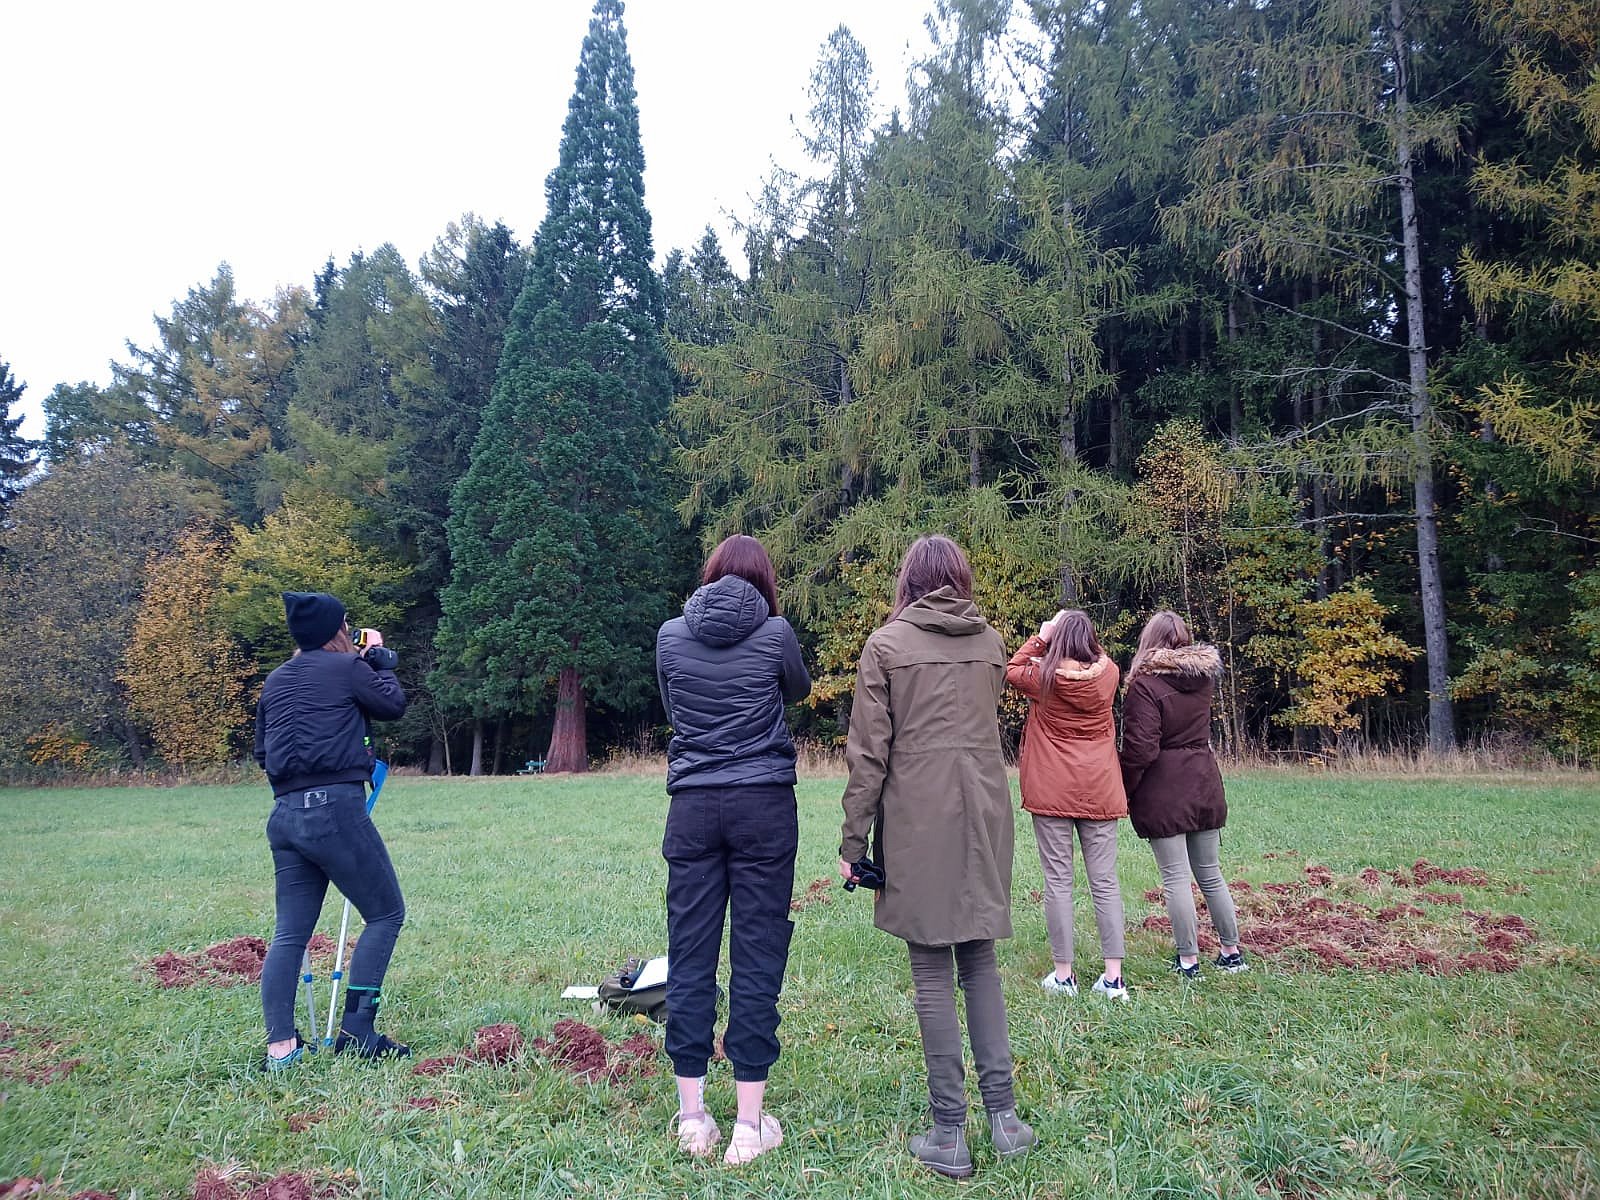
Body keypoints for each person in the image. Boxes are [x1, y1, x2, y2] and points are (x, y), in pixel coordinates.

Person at [838, 535, 1036, 1179]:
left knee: (931, 972)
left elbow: (868, 756)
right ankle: (1004, 1120)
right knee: (979, 960)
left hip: (919, 819)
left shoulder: (885, 647)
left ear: (908, 581)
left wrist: (852, 843)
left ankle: (949, 1131)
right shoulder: (991, 644)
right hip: (984, 813)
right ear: (959, 578)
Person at [655, 535, 811, 1164]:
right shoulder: (776, 633)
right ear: (764, 579)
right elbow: (797, 690)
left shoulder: (670, 636)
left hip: (692, 806)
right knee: (758, 953)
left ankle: (693, 1118)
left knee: (689, 953)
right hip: (763, 804)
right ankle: (749, 1125)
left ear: (712, 573)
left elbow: (674, 705)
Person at [254, 591, 409, 1070]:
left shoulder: (275, 680)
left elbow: (262, 752)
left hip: (284, 816)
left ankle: (281, 1048)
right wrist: (377, 659)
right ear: (337, 629)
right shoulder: (348, 667)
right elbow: (393, 704)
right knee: (385, 914)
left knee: (289, 934)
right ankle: (358, 1033)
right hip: (335, 812)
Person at [1006, 608, 1129, 1000]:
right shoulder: (1110, 674)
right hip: (1099, 788)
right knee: (1105, 881)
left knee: (1058, 881)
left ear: (1057, 640)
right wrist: (1079, 639)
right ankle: (1114, 978)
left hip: (1051, 789)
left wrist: (1043, 637)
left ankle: (1064, 975)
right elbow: (1098, 660)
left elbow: (1012, 668)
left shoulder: (1043, 679)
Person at [1119, 610, 1248, 979]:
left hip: (1165, 790)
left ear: (1149, 640)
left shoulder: (1145, 686)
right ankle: (1231, 952)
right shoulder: (1202, 680)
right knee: (1210, 874)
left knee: (1176, 877)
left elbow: (1141, 749)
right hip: (1204, 781)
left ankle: (1188, 960)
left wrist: (1125, 786)